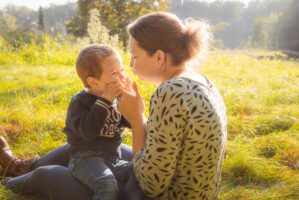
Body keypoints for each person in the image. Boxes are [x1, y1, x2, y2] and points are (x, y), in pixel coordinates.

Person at [1, 12, 227, 200]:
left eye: (135, 56)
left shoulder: (170, 91)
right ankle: (20, 165)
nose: (130, 65)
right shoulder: (201, 81)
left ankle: (18, 177)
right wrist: (133, 113)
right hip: (191, 190)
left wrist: (136, 119)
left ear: (159, 57)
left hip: (161, 195)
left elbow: (150, 184)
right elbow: (165, 139)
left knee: (50, 176)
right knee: (84, 146)